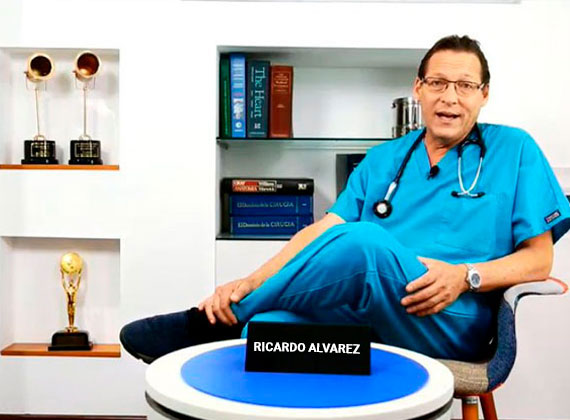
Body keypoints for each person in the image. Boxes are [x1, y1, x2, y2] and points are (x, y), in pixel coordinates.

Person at [120, 35, 570, 364]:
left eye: (465, 85)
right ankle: (234, 321)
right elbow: (324, 231)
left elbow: (539, 260)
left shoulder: (515, 150)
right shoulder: (383, 159)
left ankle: (204, 325)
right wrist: (245, 282)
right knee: (263, 332)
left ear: (484, 95)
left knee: (365, 243)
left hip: (450, 315)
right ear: (418, 88)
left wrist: (465, 276)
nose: (450, 97)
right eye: (438, 82)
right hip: (371, 314)